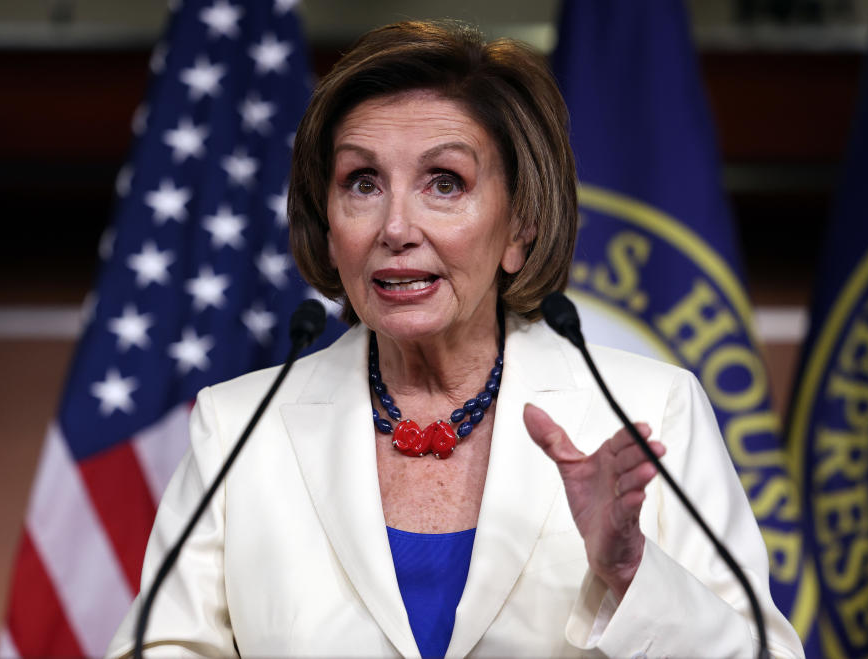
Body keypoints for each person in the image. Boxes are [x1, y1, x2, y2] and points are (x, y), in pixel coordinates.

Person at [108, 20, 804, 658]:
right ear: (327, 221)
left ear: (521, 224)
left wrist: (629, 573)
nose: (396, 227)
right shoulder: (238, 431)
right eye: (362, 182)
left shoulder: (649, 409)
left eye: (445, 183)